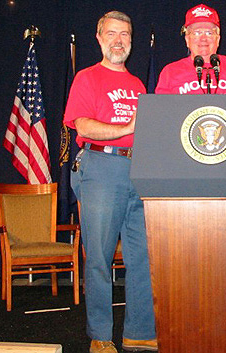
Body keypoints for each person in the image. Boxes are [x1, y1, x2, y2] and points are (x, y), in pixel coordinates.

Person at [64, 11, 157, 353]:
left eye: (125, 34)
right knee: (100, 257)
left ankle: (140, 332)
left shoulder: (136, 85)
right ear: (100, 38)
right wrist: (125, 130)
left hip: (138, 172)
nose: (119, 40)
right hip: (100, 168)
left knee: (142, 257)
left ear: (130, 42)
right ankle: (101, 336)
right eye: (113, 33)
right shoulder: (87, 78)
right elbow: (83, 127)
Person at [155, 3, 226, 95]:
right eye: (197, 33)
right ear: (187, 40)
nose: (203, 39)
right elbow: (160, 110)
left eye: (209, 33)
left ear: (218, 39)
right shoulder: (170, 72)